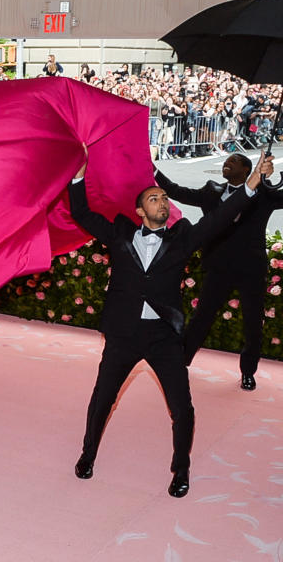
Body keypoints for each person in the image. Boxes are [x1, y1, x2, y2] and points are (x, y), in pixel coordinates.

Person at [69, 148, 272, 499]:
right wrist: (78, 175)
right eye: (153, 198)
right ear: (139, 210)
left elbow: (221, 217)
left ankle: (181, 469)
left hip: (164, 337)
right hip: (123, 335)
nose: (162, 201)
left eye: (164, 197)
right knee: (102, 399)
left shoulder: (182, 238)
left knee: (182, 407)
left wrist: (253, 182)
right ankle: (87, 455)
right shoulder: (119, 235)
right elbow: (82, 212)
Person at [154, 154, 283, 390]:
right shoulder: (211, 191)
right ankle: (180, 363)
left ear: (247, 169)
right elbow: (175, 190)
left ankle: (248, 372)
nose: (227, 163)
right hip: (218, 268)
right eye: (227, 160)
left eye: (234, 161)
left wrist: (269, 177)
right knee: (201, 318)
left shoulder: (264, 193)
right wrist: (151, 170)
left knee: (253, 324)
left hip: (251, 270)